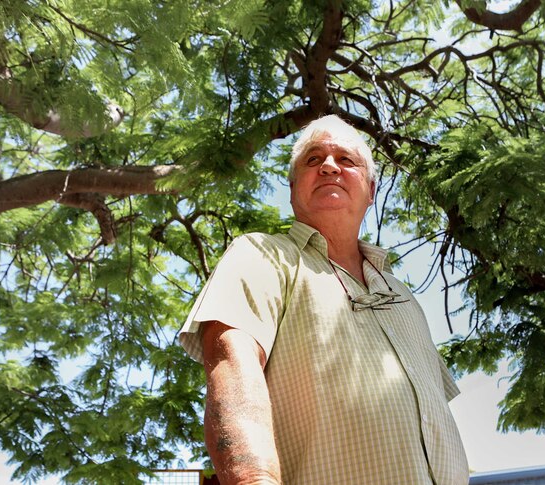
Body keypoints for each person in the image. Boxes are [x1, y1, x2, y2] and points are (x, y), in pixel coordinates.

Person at [178, 115, 469, 484]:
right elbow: (233, 368)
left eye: (346, 160)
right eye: (313, 160)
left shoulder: (404, 295)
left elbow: (433, 412)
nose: (329, 166)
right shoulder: (261, 254)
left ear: (371, 188)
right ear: (292, 186)